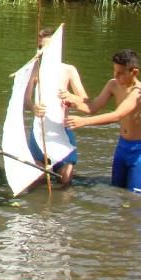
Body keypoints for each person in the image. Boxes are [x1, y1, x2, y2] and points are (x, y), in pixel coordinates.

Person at [61, 48, 141, 193]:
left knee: (135, 196)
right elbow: (93, 107)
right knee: (117, 191)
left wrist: (84, 122)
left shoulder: (138, 92)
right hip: (123, 146)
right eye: (114, 71)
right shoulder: (113, 84)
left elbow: (117, 115)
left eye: (121, 73)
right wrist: (75, 103)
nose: (116, 76)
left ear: (134, 72)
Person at [24, 28, 87, 186]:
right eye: (40, 47)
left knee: (66, 180)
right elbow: (25, 99)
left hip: (62, 128)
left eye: (46, 47)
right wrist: (33, 107)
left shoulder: (68, 70)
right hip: (40, 130)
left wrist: (70, 98)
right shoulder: (34, 70)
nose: (42, 51)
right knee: (37, 179)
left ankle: (62, 208)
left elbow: (84, 100)